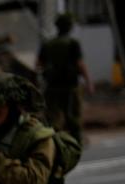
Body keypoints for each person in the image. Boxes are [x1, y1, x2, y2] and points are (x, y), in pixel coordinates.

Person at [37, 12, 95, 143]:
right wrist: (89, 82)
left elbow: (38, 65)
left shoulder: (48, 43)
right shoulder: (73, 43)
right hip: (70, 86)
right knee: (73, 115)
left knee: (52, 117)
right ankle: (76, 142)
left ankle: (52, 142)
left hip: (52, 86)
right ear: (69, 27)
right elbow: (80, 64)